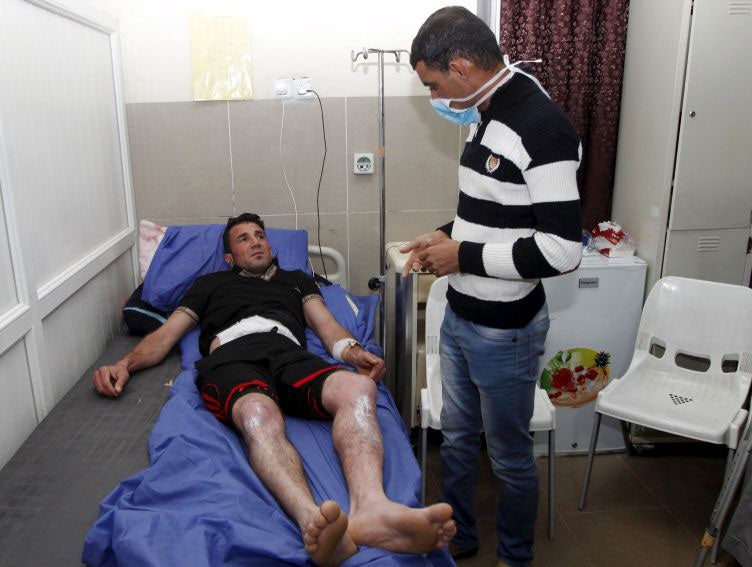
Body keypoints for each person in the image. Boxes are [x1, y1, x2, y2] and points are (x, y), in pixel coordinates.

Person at [93, 213, 455, 566]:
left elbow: (327, 327)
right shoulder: (209, 285)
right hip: (233, 355)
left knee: (358, 389)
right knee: (256, 412)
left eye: (260, 235)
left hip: (287, 352)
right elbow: (165, 336)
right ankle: (313, 522)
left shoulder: (297, 279)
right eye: (244, 238)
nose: (256, 242)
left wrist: (353, 352)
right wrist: (124, 365)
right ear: (229, 257)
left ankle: (372, 509)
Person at [404, 7, 582, 567]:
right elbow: (497, 210)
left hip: (505, 332)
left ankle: (514, 555)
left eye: (433, 84)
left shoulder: (542, 127)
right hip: (460, 314)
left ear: (459, 68)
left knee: (507, 457)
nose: (433, 96)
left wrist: (462, 254)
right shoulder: (486, 112)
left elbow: (560, 250)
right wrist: (445, 233)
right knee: (457, 440)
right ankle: (458, 539)